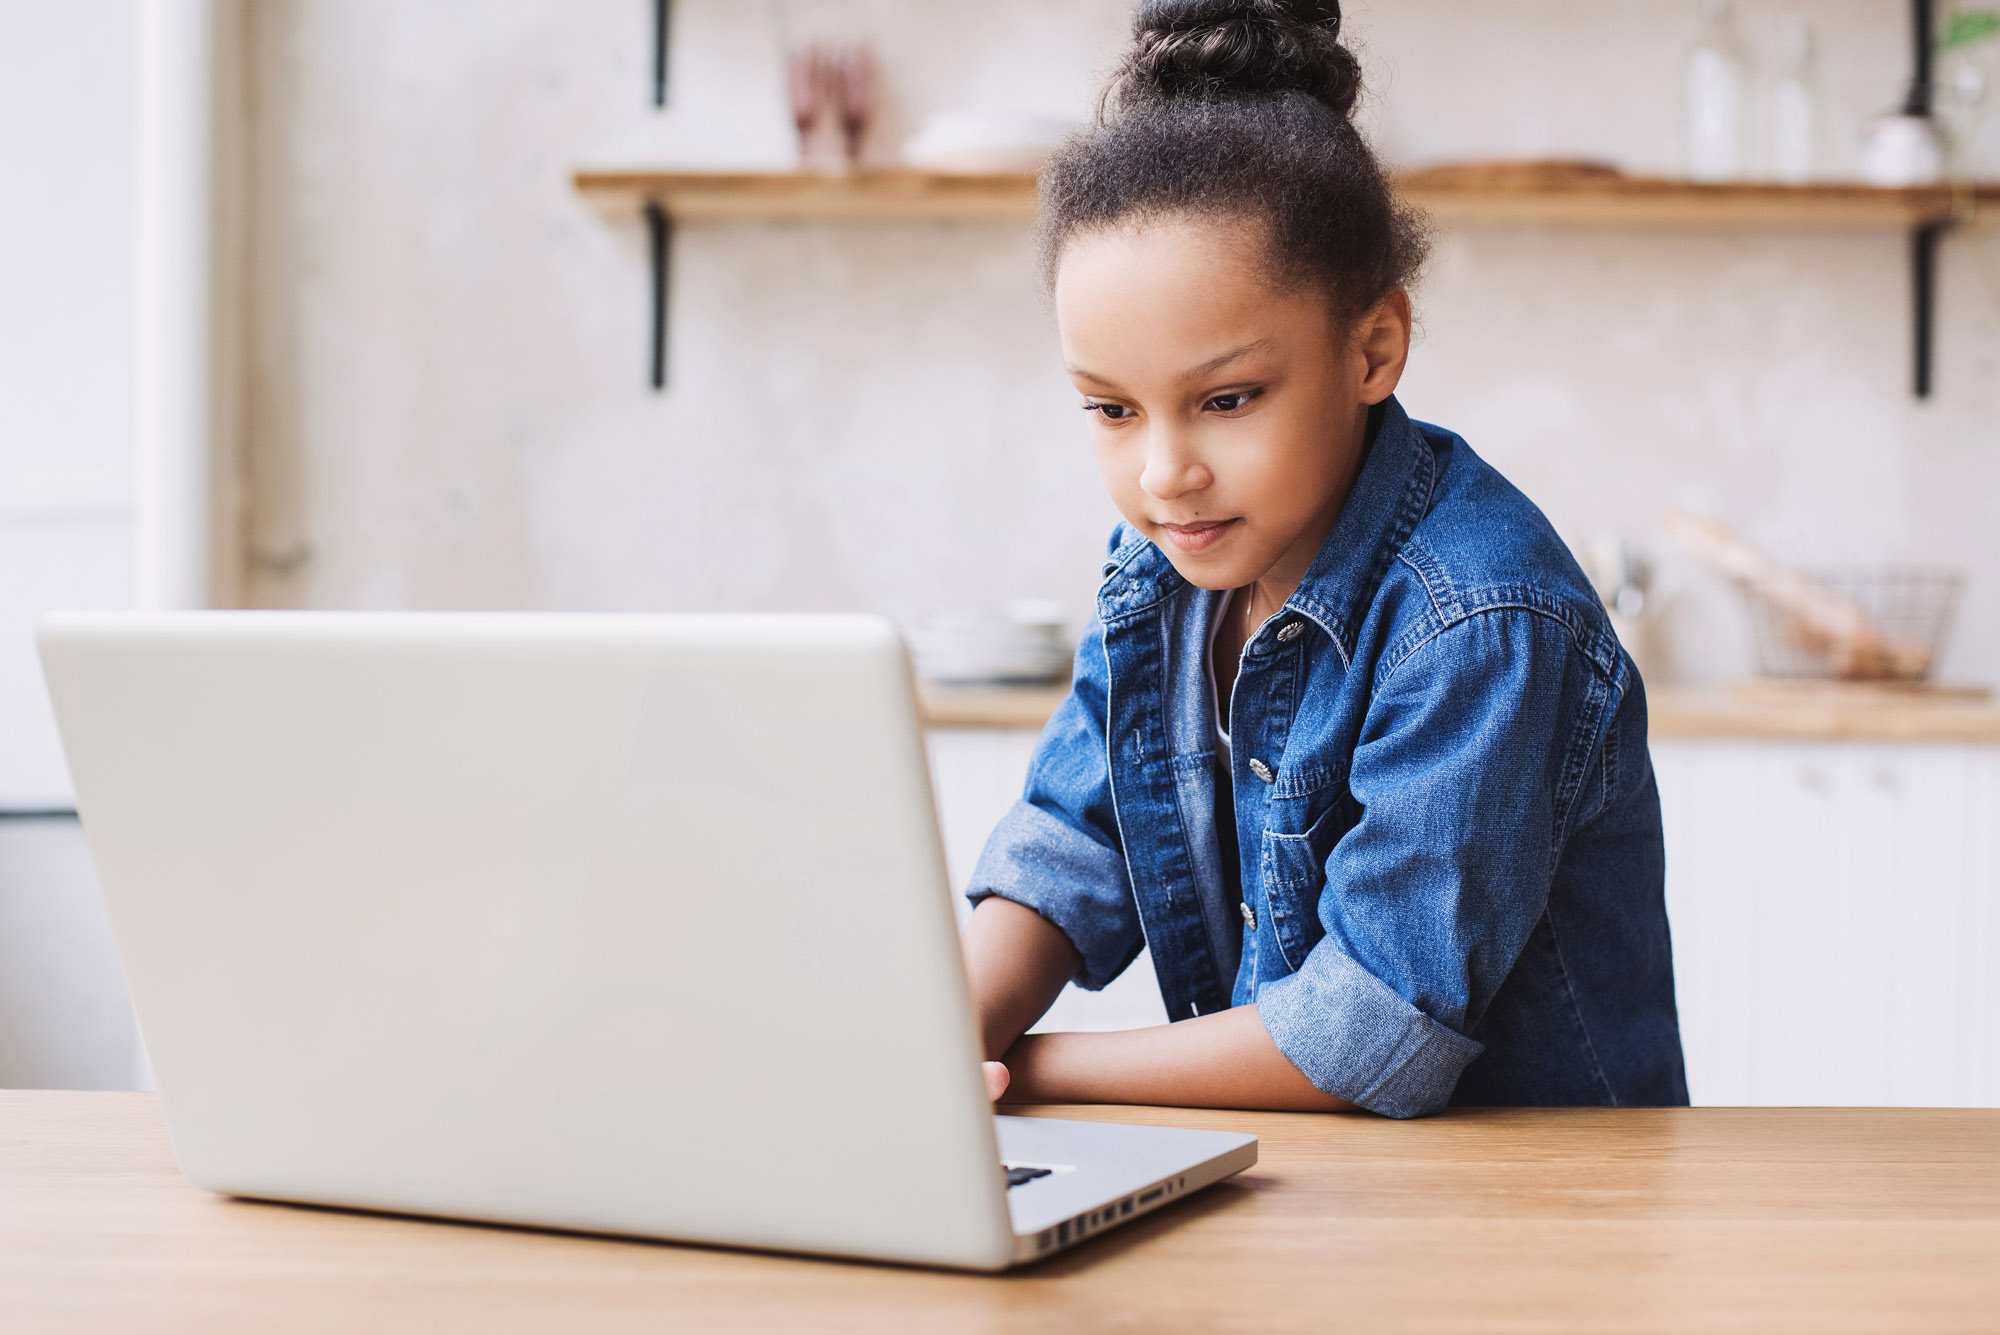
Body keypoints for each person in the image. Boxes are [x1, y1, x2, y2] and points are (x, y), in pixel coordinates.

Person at [961, 0, 1687, 1118]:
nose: (1164, 474)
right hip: (1308, 1195)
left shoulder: (1480, 620)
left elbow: (1365, 1033)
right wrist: (946, 1030)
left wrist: (1023, 1072)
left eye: (1226, 399)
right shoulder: (1162, 567)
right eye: (1109, 409)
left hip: (1529, 1229)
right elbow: (1075, 841)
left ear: (1371, 348)